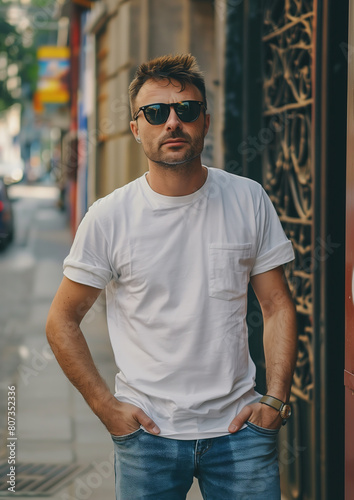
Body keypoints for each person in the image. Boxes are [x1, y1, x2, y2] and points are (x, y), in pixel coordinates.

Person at [46, 54, 298, 500]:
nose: (173, 123)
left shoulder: (248, 199)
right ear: (136, 128)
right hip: (148, 437)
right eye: (157, 112)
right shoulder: (109, 217)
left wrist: (275, 400)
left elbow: (277, 305)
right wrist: (107, 409)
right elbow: (61, 322)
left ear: (205, 121)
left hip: (241, 433)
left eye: (187, 110)